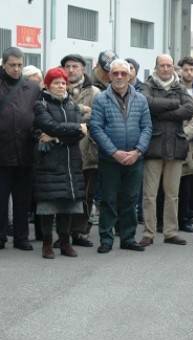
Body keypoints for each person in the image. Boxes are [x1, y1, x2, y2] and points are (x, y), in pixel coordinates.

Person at [90, 59, 152, 253]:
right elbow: (96, 128)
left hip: (135, 158)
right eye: (115, 73)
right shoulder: (101, 99)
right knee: (108, 200)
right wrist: (114, 152)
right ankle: (106, 240)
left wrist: (138, 151)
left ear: (130, 76)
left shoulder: (140, 99)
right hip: (110, 159)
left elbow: (147, 127)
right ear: (109, 75)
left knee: (130, 199)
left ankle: (127, 238)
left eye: (123, 74)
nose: (119, 77)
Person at [139, 55, 193, 247]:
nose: (165, 69)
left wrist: (160, 111)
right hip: (153, 146)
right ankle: (149, 232)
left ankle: (171, 232)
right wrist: (173, 104)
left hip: (176, 146)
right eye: (162, 65)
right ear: (156, 67)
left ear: (173, 67)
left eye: (169, 65)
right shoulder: (147, 86)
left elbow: (189, 109)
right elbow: (147, 103)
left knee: (172, 194)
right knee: (149, 195)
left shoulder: (180, 87)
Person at [33, 67, 87, 259]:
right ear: (48, 85)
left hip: (70, 162)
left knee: (67, 205)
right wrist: (73, 129)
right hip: (49, 163)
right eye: (56, 82)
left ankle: (65, 243)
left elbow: (80, 133)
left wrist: (56, 138)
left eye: (63, 82)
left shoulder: (72, 104)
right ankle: (47, 244)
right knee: (48, 205)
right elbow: (50, 126)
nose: (60, 86)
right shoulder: (41, 105)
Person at [0, 47, 41, 251]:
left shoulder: (32, 88)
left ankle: (21, 237)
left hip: (25, 151)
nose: (16, 69)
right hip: (2, 152)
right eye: (12, 65)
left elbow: (40, 115)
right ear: (4, 64)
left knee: (22, 199)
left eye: (19, 65)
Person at [61, 53, 101, 248]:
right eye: (67, 66)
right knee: (67, 193)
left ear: (83, 69)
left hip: (88, 150)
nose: (71, 70)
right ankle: (63, 233)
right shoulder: (58, 89)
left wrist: (72, 120)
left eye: (75, 66)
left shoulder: (94, 92)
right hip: (63, 151)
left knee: (85, 194)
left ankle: (80, 232)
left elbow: (98, 119)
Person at [176, 56, 193, 233]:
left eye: (192, 69)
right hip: (171, 140)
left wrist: (186, 134)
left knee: (189, 181)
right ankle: (170, 220)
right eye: (185, 69)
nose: (189, 73)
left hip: (191, 141)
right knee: (172, 184)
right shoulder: (174, 89)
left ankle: (186, 217)